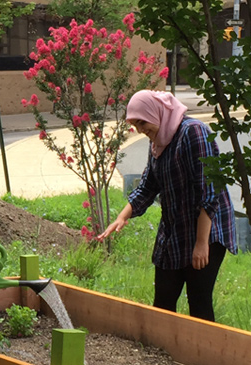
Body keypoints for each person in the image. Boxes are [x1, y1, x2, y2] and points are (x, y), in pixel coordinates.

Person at [99, 90, 237, 321]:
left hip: (208, 229)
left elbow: (209, 192)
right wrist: (121, 217)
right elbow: (147, 186)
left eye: (143, 122)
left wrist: (202, 244)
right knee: (163, 300)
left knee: (199, 302)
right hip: (176, 227)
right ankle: (163, 355)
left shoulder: (193, 132)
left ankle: (200, 356)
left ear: (156, 112)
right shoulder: (158, 143)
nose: (141, 130)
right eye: (136, 125)